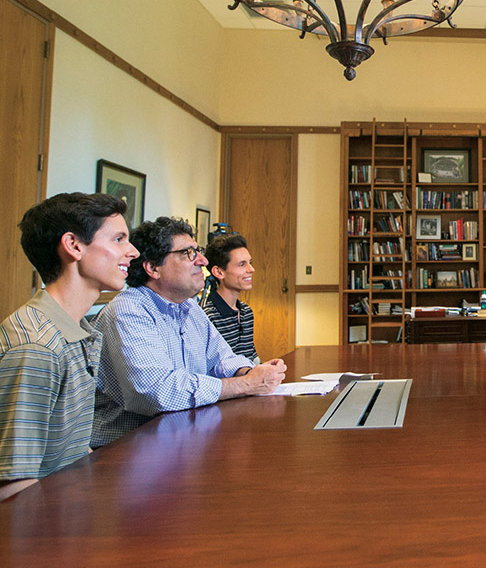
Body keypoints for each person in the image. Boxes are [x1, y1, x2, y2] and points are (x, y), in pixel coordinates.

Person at [91, 217, 286, 448]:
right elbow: (158, 392)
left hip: (182, 440)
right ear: (153, 268)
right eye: (188, 253)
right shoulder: (128, 310)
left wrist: (252, 371)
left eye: (198, 251)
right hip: (128, 452)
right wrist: (246, 384)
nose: (202, 260)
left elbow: (222, 358)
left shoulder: (189, 306)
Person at [1, 193, 138, 499]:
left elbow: (70, 448)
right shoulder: (37, 347)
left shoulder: (78, 330)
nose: (133, 251)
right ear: (74, 246)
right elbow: (14, 486)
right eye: (119, 239)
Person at [202, 233, 259, 363]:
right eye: (242, 264)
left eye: (250, 263)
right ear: (218, 272)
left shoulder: (246, 312)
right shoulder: (208, 316)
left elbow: (251, 359)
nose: (251, 269)